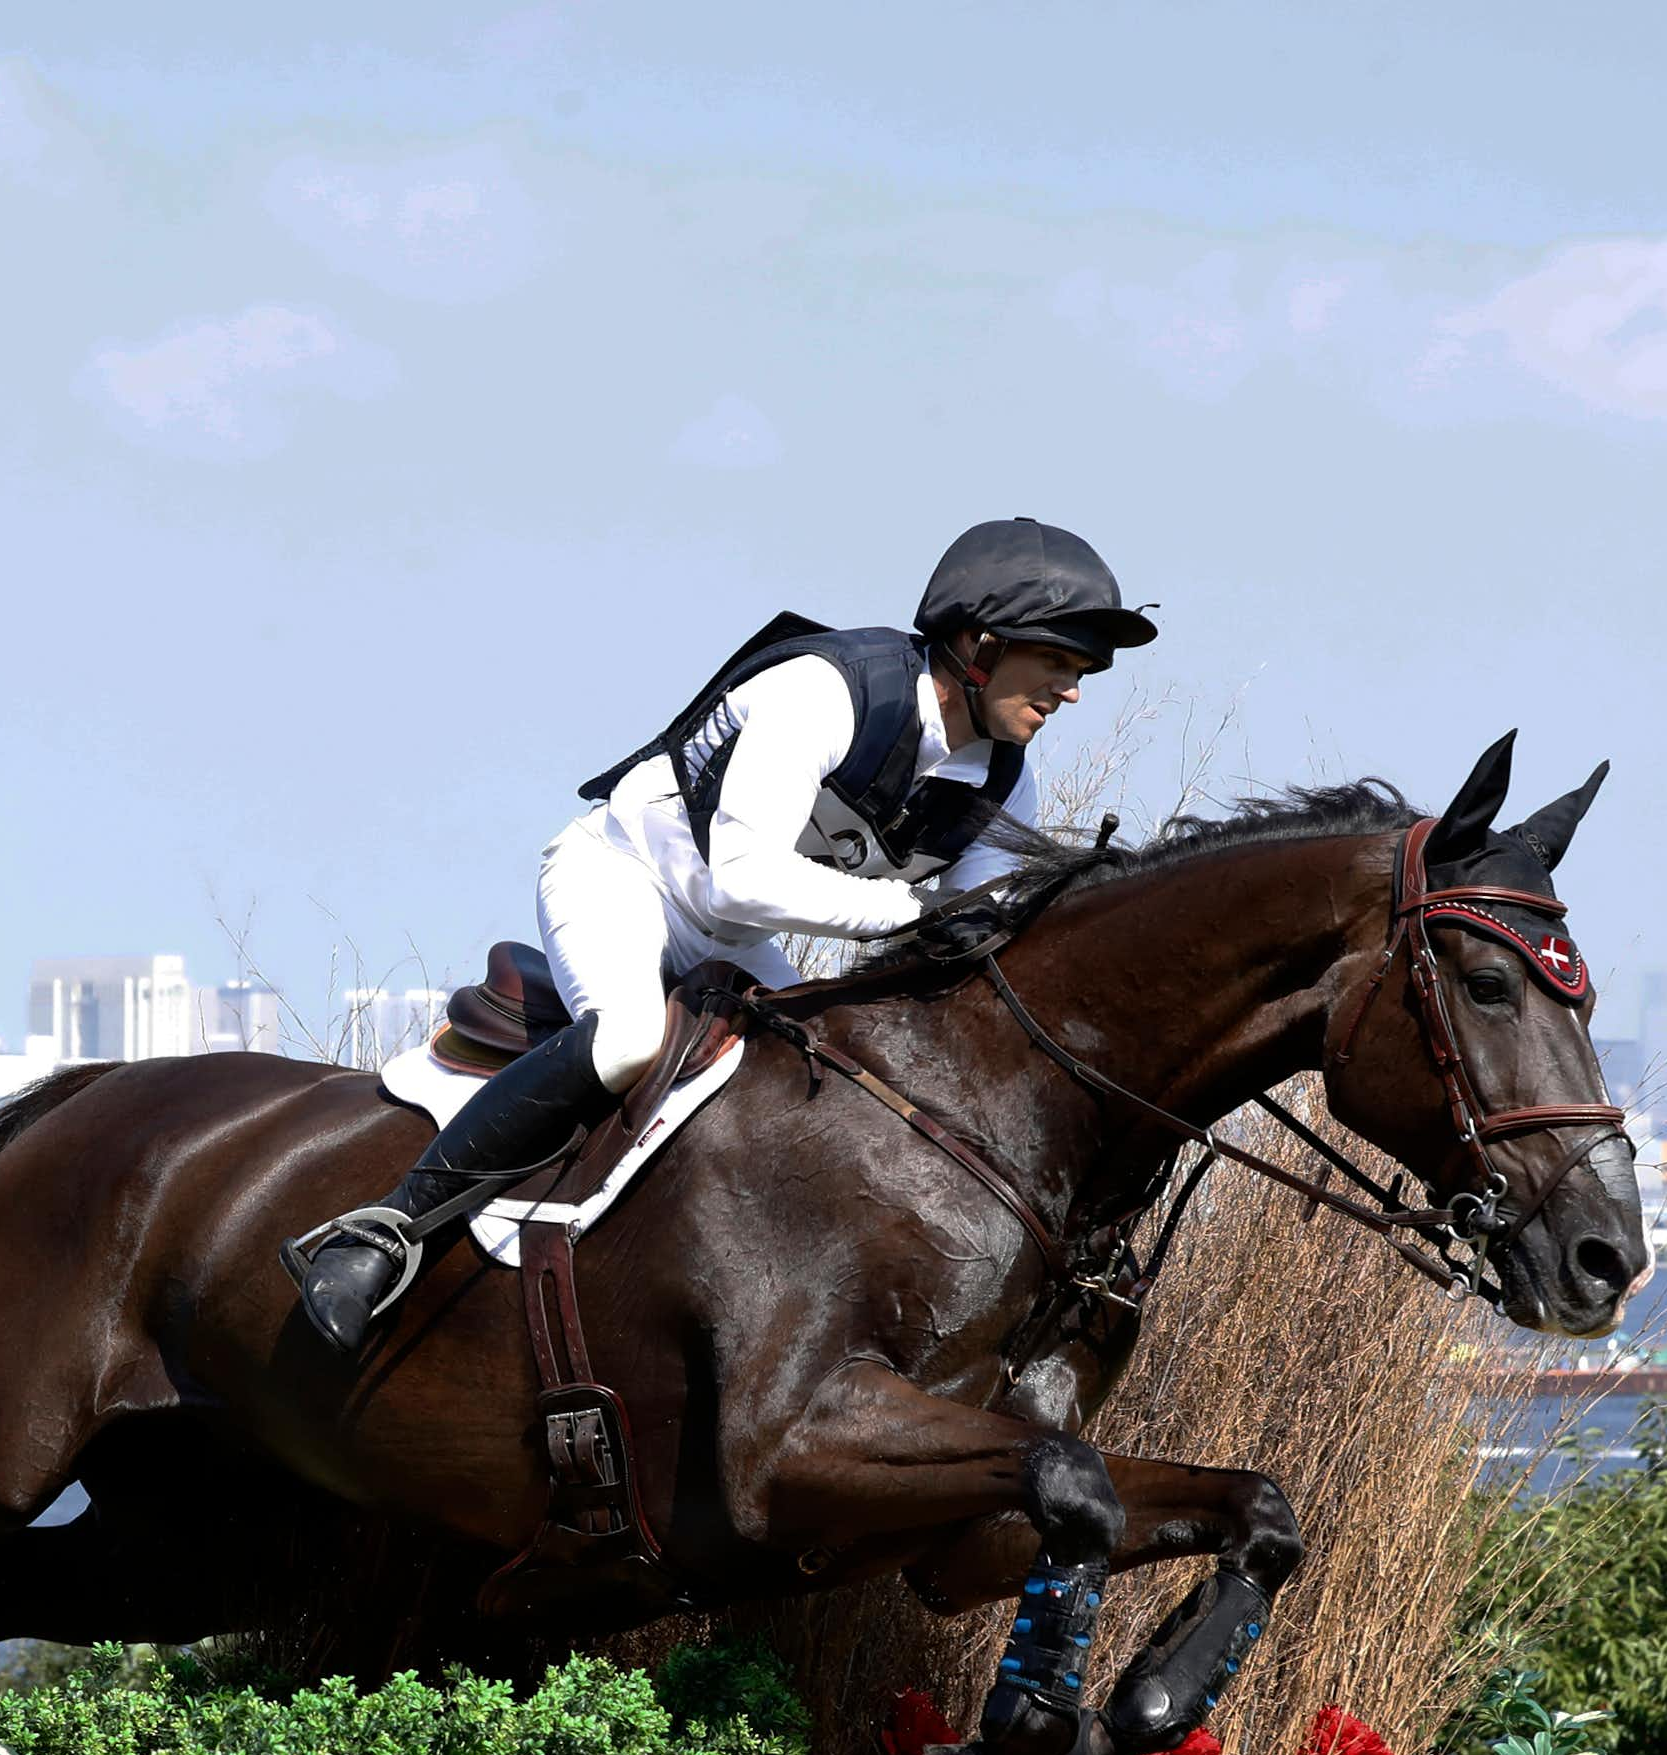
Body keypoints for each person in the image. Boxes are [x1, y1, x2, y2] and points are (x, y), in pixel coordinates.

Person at [283, 517, 1158, 1363]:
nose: (1072, 691)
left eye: (1081, 671)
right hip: (629, 880)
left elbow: (974, 951)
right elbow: (740, 874)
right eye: (1056, 662)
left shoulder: (1003, 782)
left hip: (731, 944)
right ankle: (381, 1233)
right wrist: (912, 916)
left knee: (833, 1088)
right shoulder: (827, 689)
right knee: (628, 1040)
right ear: (976, 645)